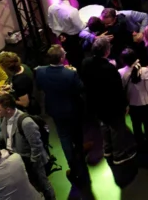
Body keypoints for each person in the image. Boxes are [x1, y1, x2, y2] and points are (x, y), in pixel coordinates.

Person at [34, 45, 89, 192]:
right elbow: (80, 88)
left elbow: (40, 87)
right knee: (77, 132)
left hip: (54, 110)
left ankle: (72, 163)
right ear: (62, 58)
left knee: (63, 136)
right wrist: (74, 72)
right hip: (72, 109)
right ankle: (80, 153)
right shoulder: (70, 74)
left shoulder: (40, 71)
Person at [82, 36, 137, 164]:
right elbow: (117, 89)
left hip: (96, 103)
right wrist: (125, 104)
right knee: (117, 129)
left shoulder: (86, 63)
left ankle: (107, 149)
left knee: (104, 125)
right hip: (111, 105)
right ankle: (119, 155)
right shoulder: (110, 68)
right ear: (107, 51)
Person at [46, 0, 86, 69]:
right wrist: (85, 23)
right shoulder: (72, 11)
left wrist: (59, 35)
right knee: (79, 59)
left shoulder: (51, 8)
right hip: (74, 38)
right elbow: (80, 27)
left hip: (63, 38)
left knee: (70, 58)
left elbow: (51, 24)